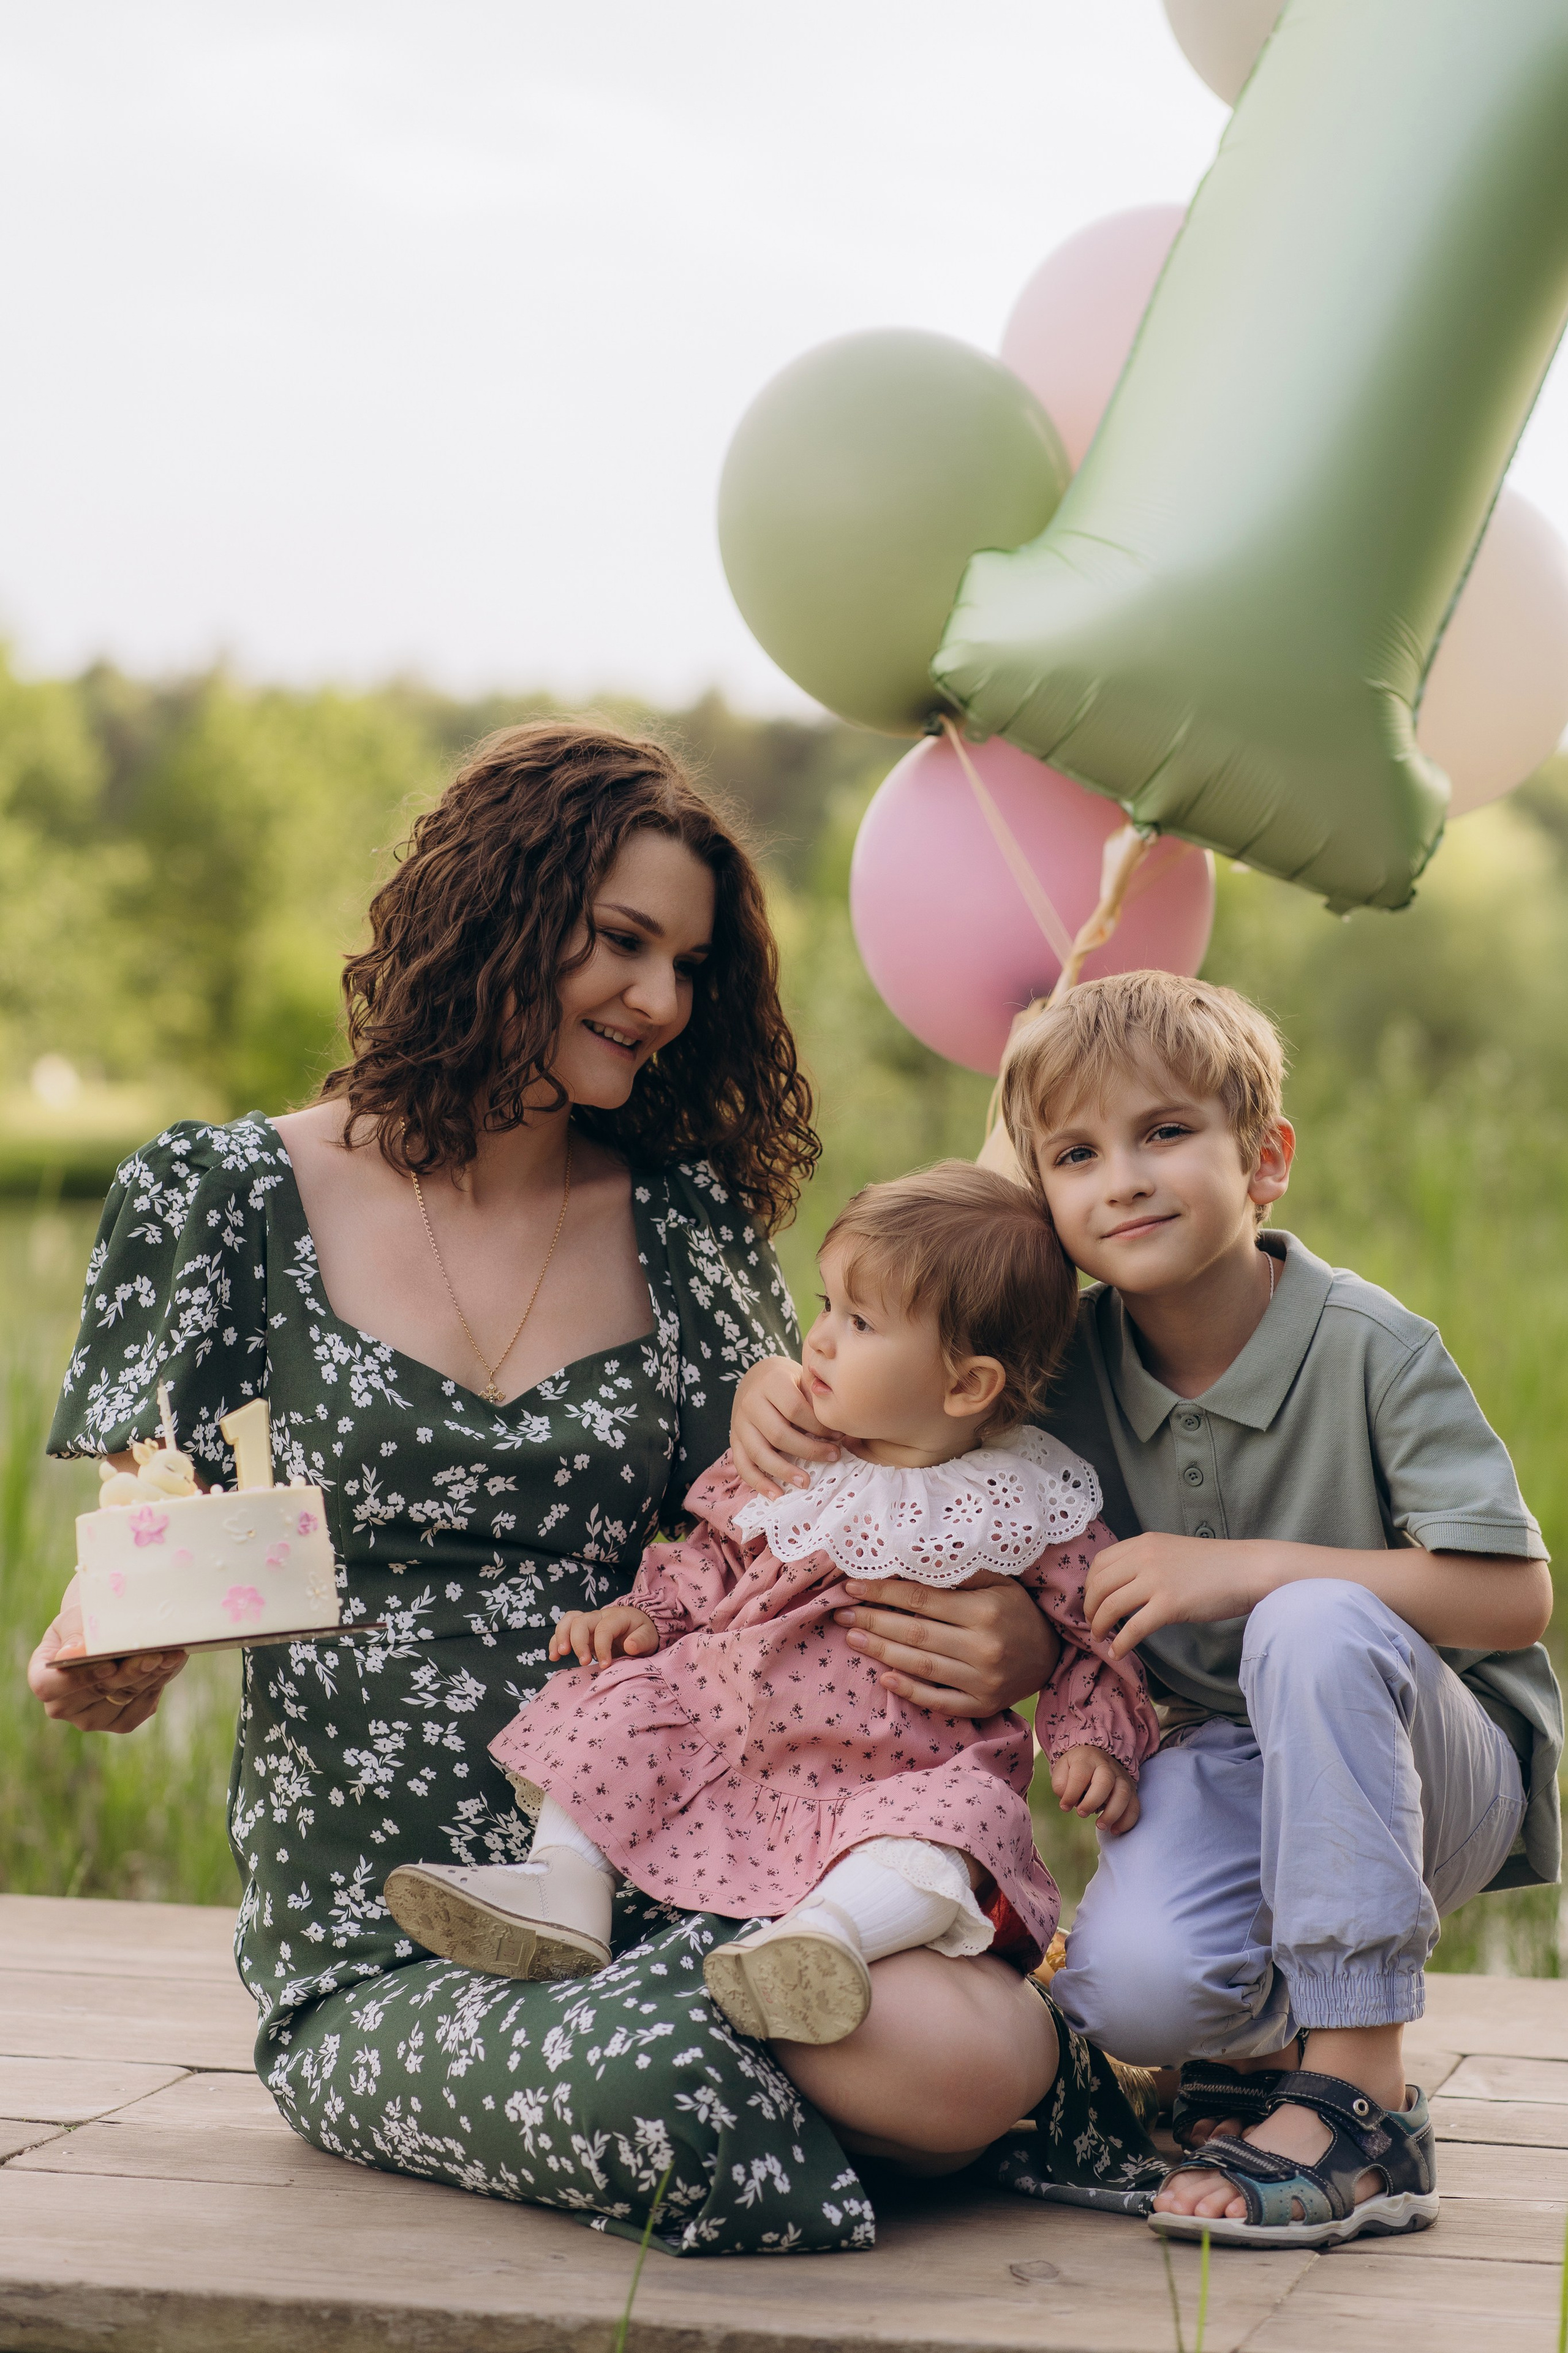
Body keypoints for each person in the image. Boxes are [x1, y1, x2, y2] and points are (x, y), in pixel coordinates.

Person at [27, 719, 1155, 2251]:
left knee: (979, 2052)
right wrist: (108, 1641)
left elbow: (819, 1516)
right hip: (401, 1906)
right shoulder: (225, 1197)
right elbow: (141, 1528)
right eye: (621, 942)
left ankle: (785, 2052)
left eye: (687, 965)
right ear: (492, 909)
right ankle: (716, 2086)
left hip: (711, 1842)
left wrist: (1021, 1642)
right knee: (670, 2081)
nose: (657, 1000)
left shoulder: (679, 1223)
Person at [732, 970, 1559, 2251]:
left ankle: (1359, 2098)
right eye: (1074, 1153)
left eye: (1163, 1132)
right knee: (1129, 1990)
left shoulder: (1369, 1346)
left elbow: (1513, 1599)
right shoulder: (1059, 1374)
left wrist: (1240, 1569)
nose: (1120, 1178)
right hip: (1228, 1761)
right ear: (1042, 1204)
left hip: (1428, 1775)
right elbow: (904, 1409)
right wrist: (778, 1395)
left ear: (1264, 1159)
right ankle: (1250, 2056)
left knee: (1311, 1619)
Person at [382, 1163, 1159, 2055]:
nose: (820, 1339)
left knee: (960, 1824)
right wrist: (650, 1618)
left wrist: (1090, 1735)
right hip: (725, 1727)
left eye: (860, 1323)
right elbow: (715, 1552)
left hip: (896, 1775)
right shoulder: (800, 1458)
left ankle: (830, 1935)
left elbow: (1093, 1627)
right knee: (618, 1706)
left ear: (967, 1385)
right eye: (826, 1305)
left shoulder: (1022, 1498)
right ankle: (565, 1886)